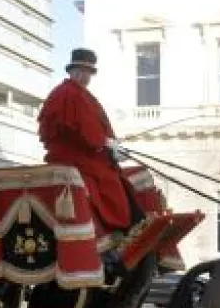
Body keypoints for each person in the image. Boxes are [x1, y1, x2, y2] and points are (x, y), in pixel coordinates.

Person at [37, 48, 143, 234]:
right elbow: (86, 134)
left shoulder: (80, 94)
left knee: (120, 175)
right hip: (76, 158)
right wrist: (106, 144)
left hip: (87, 155)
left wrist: (111, 144)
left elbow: (91, 131)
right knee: (110, 181)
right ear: (72, 71)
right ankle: (116, 230)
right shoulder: (69, 94)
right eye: (81, 71)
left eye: (88, 72)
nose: (85, 76)